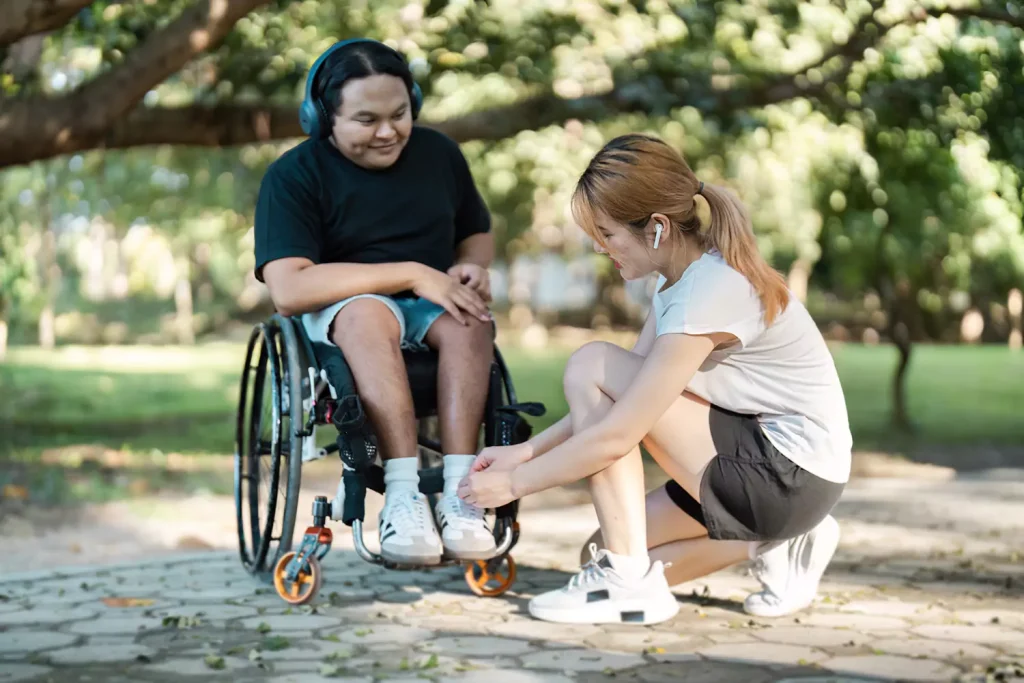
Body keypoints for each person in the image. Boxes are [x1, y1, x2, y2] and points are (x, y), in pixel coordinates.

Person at [457, 133, 852, 625]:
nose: (601, 248)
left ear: (658, 228)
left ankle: (628, 584)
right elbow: (617, 403)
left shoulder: (708, 291)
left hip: (786, 474)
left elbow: (619, 432)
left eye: (608, 234)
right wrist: (522, 453)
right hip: (769, 470)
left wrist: (515, 483)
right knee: (600, 549)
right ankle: (772, 542)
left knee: (591, 362)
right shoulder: (680, 284)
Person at [253, 38, 499, 567]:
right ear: (323, 119)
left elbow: (476, 233)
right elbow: (289, 289)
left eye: (400, 114)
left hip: (430, 306)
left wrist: (473, 268)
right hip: (344, 310)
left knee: (470, 319)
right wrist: (412, 272)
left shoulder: (439, 154)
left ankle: (462, 495)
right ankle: (403, 496)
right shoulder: (293, 176)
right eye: (366, 120)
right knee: (367, 313)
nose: (388, 132)